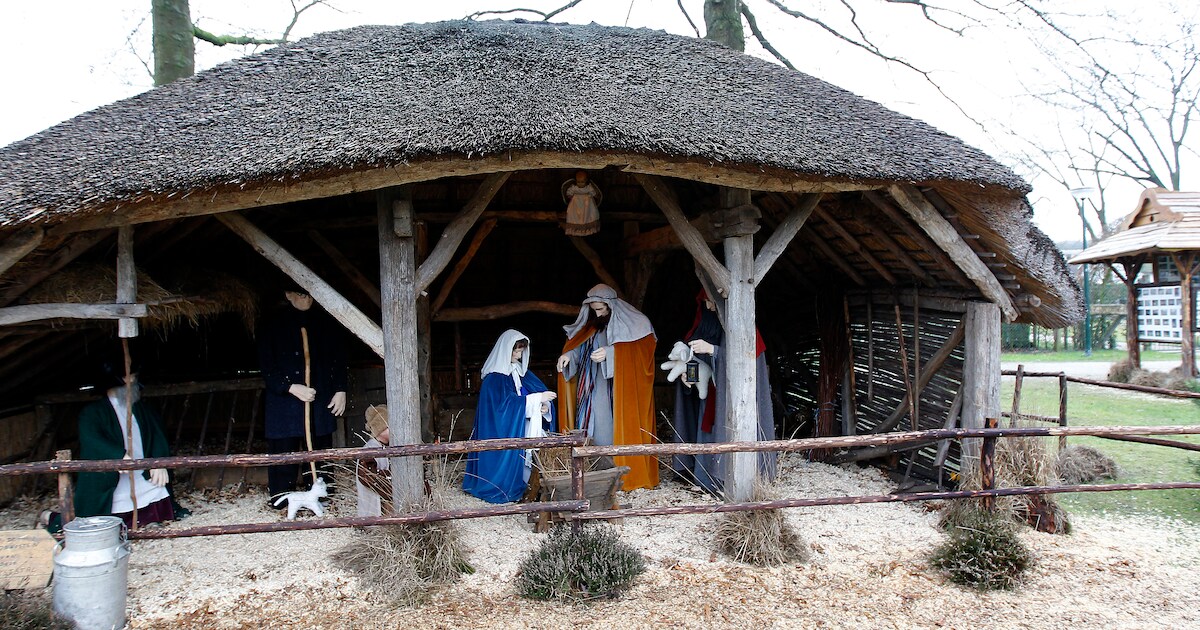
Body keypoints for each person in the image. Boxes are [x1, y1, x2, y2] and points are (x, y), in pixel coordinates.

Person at [671, 290, 777, 494]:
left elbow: (745, 360)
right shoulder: (703, 325)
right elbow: (694, 360)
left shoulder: (744, 329)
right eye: (705, 303)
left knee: (728, 433)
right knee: (708, 435)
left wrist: (713, 350)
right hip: (709, 395)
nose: (709, 307)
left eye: (711, 302)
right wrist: (689, 378)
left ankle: (729, 481)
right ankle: (706, 480)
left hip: (734, 400)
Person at [556, 284, 658, 491]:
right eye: (594, 309)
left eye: (601, 309)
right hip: (588, 388)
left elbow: (642, 354)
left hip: (614, 390)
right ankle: (589, 472)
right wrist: (568, 355)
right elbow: (579, 348)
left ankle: (614, 472)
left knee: (606, 428)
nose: (597, 313)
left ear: (611, 305)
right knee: (586, 426)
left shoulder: (637, 324)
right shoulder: (591, 326)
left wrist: (611, 354)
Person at [257, 286, 348, 502]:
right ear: (287, 294)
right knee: (284, 450)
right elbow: (266, 365)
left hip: (319, 396)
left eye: (308, 294)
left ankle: (321, 493)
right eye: (300, 294)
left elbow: (339, 358)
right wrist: (290, 387)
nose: (305, 299)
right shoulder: (271, 324)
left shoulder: (326, 322)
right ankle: (282, 497)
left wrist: (340, 389)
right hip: (284, 401)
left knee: (319, 448)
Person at [75, 363, 179, 527]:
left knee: (156, 488)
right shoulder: (92, 413)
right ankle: (50, 517)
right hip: (113, 477)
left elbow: (158, 436)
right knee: (111, 504)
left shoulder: (143, 410)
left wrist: (158, 462)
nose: (132, 381)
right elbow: (92, 440)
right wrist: (118, 456)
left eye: (134, 377)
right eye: (127, 377)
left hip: (141, 472)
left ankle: (151, 519)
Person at [464, 330, 557, 503]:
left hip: (525, 425)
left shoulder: (523, 373)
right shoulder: (494, 379)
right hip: (503, 430)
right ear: (505, 350)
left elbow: (528, 394)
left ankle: (531, 485)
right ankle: (504, 485)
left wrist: (544, 406)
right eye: (515, 351)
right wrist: (537, 399)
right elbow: (503, 407)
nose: (518, 355)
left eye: (521, 351)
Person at [355, 404, 392, 517]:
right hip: (374, 503)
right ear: (380, 429)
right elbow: (368, 477)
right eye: (389, 426)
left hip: (385, 499)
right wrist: (390, 482)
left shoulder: (388, 446)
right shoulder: (370, 449)